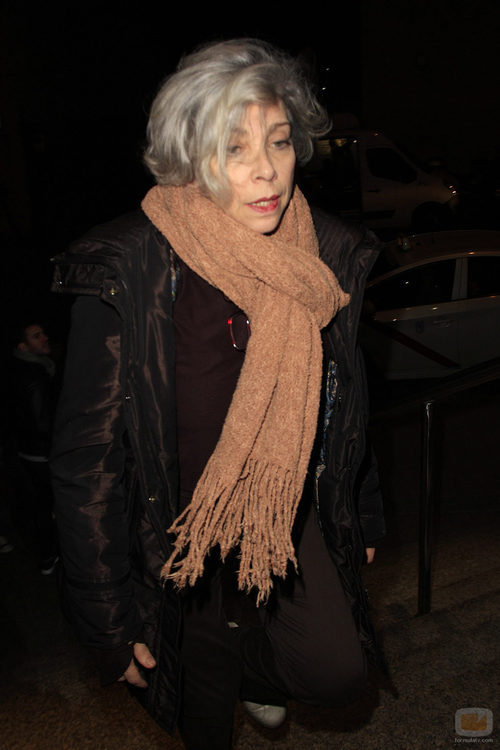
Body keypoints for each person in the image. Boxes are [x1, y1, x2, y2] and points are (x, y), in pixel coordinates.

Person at [51, 39, 385, 749]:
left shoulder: (320, 256)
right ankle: (224, 664)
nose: (266, 170)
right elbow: (87, 462)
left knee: (337, 672)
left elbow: (346, 400)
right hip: (179, 531)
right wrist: (106, 616)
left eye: (279, 141)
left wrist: (361, 513)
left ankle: (255, 671)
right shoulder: (131, 270)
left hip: (283, 505)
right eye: (234, 149)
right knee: (203, 721)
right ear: (190, 157)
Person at [11, 322, 58, 573]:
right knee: (49, 505)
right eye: (36, 336)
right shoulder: (34, 374)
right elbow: (42, 423)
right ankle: (51, 556)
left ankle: (48, 554)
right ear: (23, 346)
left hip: (29, 450)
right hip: (41, 453)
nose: (45, 338)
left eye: (43, 333)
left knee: (41, 504)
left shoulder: (31, 367)